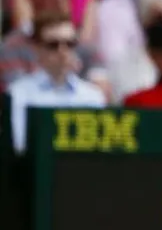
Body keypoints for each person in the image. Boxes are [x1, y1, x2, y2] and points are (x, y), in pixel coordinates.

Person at [7, 10, 106, 155]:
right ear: (36, 48)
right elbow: (19, 145)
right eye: (53, 45)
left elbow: (99, 151)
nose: (63, 51)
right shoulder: (19, 94)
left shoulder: (92, 96)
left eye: (70, 44)